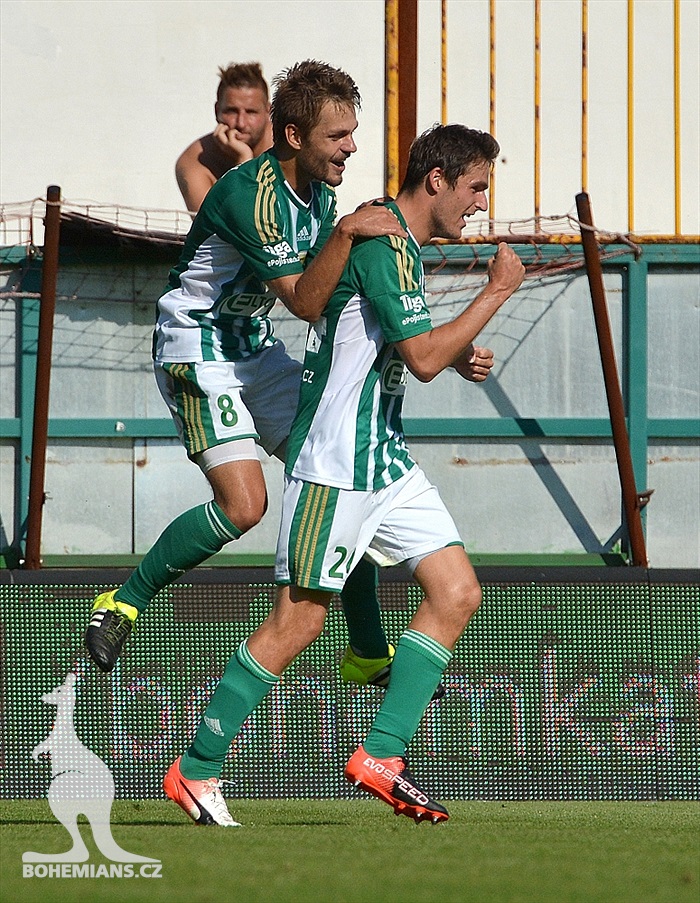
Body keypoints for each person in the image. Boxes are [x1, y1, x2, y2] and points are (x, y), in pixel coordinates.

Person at [163, 123, 525, 827]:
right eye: (476, 186)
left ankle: (382, 754)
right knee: (296, 624)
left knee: (456, 591)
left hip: (383, 457)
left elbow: (394, 342)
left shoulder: (396, 242)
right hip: (336, 464)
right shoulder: (386, 243)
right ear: (437, 179)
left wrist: (452, 352)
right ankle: (195, 768)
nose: (481, 203)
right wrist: (496, 292)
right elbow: (417, 356)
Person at [84, 61, 409, 693]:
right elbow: (304, 299)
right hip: (196, 345)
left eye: (352, 133)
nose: (352, 146)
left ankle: (368, 650)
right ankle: (122, 601)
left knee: (339, 475)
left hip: (251, 348)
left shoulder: (318, 193)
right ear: (293, 137)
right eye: (338, 137)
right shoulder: (248, 194)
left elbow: (331, 284)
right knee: (246, 505)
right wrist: (348, 234)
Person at [176, 62, 273, 213]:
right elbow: (217, 232)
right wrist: (243, 162)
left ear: (268, 111)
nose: (241, 123)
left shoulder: (289, 148)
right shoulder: (194, 162)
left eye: (251, 112)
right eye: (231, 111)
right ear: (217, 110)